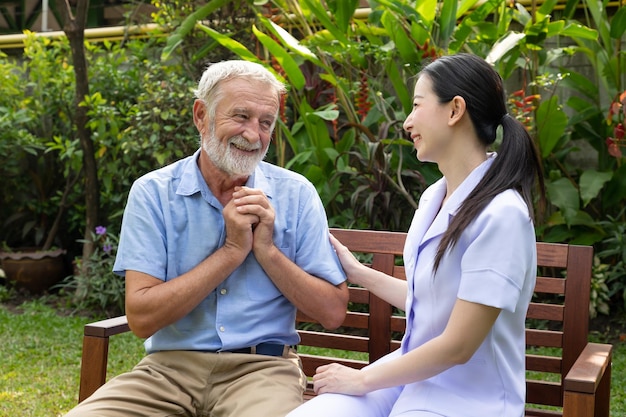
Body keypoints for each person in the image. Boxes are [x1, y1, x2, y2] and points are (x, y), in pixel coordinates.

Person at [64, 60, 349, 417]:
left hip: (262, 371)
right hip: (167, 372)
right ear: (202, 116)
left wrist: (266, 250)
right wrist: (231, 252)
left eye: (266, 123)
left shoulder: (296, 194)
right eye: (241, 116)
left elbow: (333, 312)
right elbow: (140, 318)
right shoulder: (154, 193)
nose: (253, 135)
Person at [287, 53, 546, 417]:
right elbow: (430, 301)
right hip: (412, 380)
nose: (407, 122)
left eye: (417, 106)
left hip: (468, 398)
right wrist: (358, 272)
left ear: (455, 110)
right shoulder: (433, 198)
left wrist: (362, 379)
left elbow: (458, 346)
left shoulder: (502, 215)